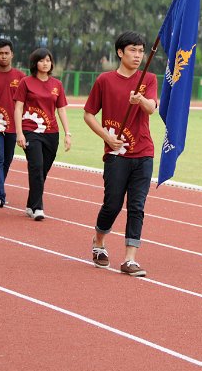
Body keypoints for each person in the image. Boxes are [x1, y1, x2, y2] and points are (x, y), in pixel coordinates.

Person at [84, 31, 157, 277]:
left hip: (144, 152)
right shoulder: (104, 81)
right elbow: (88, 114)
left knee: (137, 206)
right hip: (116, 154)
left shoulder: (149, 79)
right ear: (120, 52)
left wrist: (141, 101)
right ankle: (99, 241)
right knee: (113, 203)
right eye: (132, 50)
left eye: (141, 51)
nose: (138, 56)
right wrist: (106, 137)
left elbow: (152, 109)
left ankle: (130, 259)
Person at [14, 48, 71, 220]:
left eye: (48, 60)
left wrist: (68, 133)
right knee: (36, 166)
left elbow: (61, 109)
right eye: (42, 60)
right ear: (35, 63)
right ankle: (38, 208)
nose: (45, 63)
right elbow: (18, 108)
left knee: (42, 171)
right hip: (30, 131)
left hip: (51, 133)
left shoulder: (57, 85)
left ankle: (31, 202)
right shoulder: (26, 82)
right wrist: (19, 133)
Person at [0, 39, 25, 208]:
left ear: (12, 55)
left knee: (6, 160)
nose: (3, 56)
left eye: (6, 53)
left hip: (13, 125)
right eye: (0, 53)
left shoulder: (21, 77)